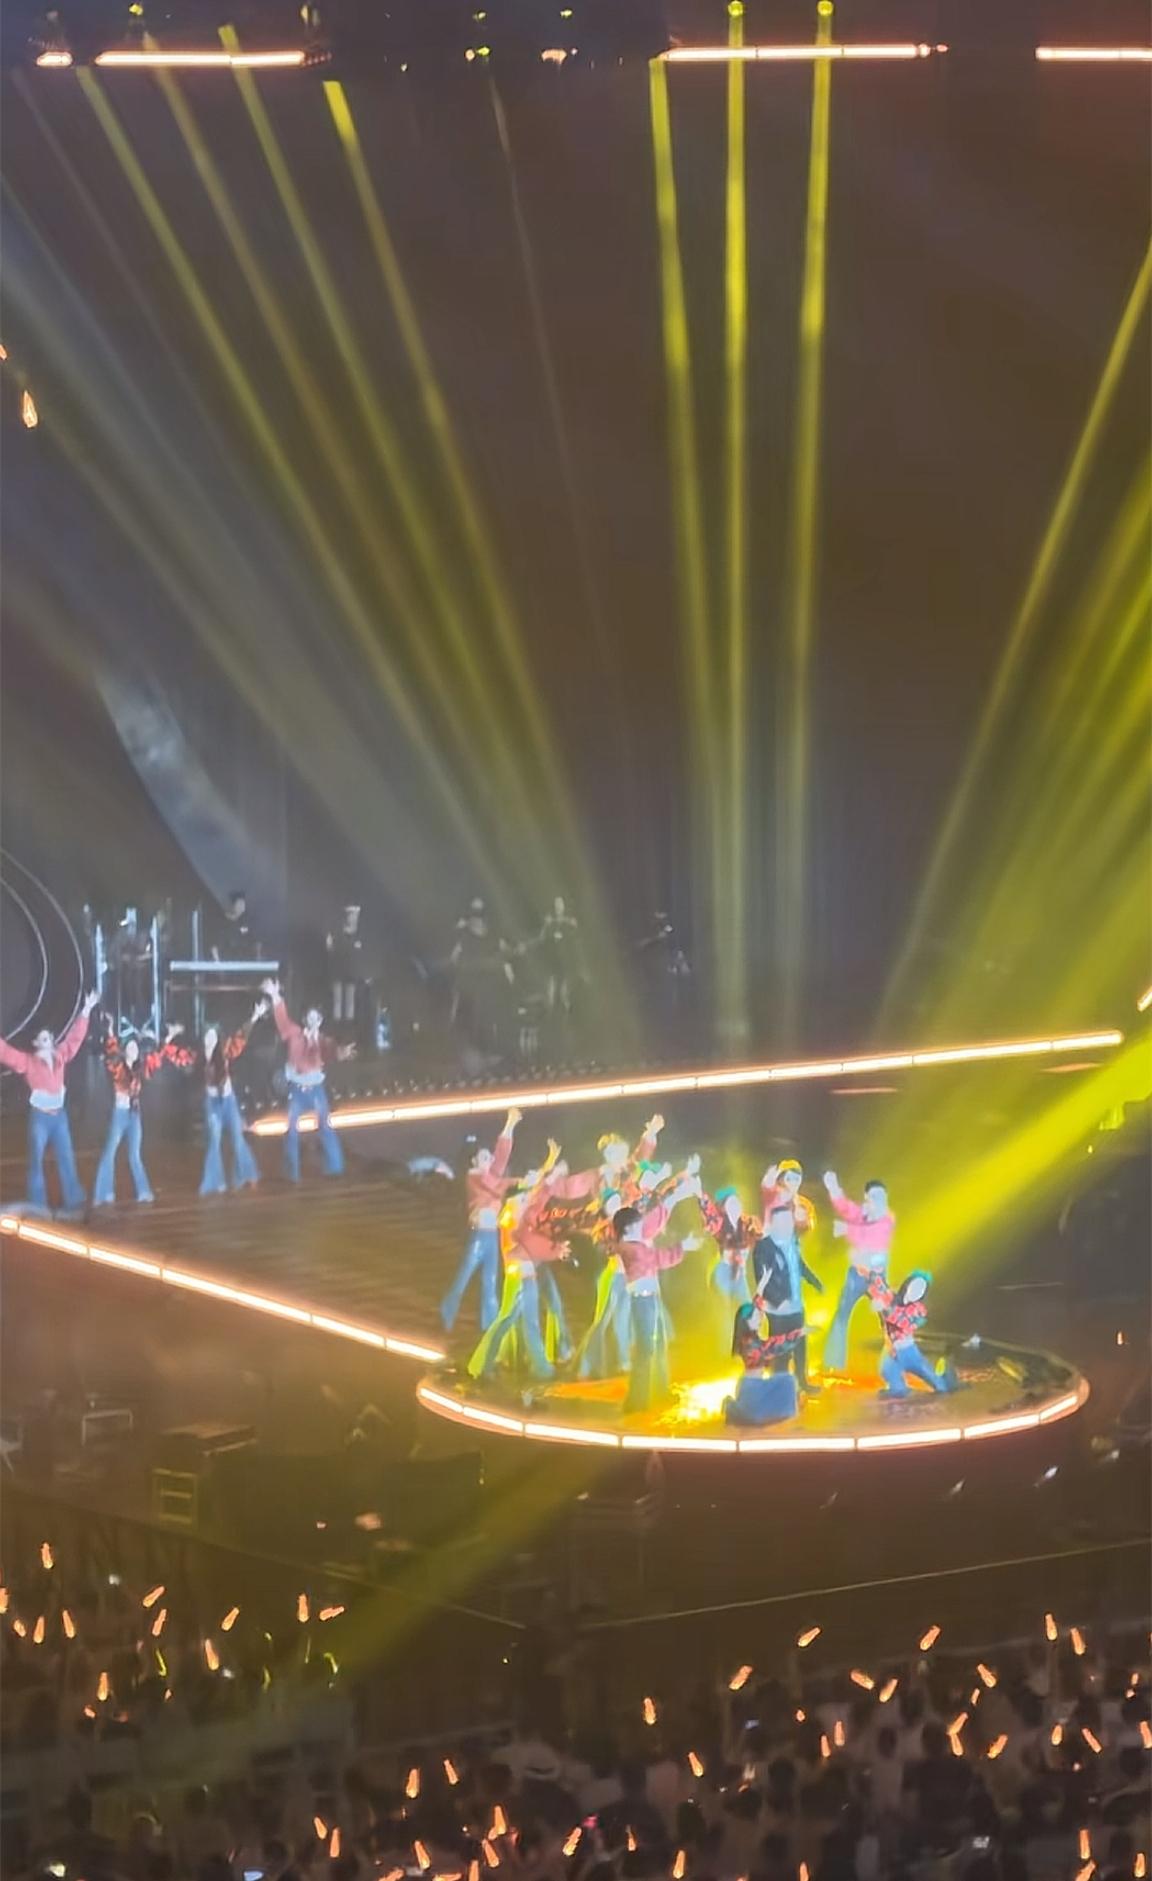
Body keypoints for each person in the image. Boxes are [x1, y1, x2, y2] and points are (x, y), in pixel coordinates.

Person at [468, 1143, 568, 1385]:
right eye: (530, 1179)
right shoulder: (512, 1211)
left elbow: (539, 1190)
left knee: (526, 1322)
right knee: (507, 1321)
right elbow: (523, 1240)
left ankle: (540, 1369)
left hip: (527, 1275)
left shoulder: (523, 1206)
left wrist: (552, 1167)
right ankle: (482, 1365)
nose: (534, 1183)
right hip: (519, 1275)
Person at [0, 989, 100, 1217]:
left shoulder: (60, 1056)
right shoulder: (28, 1062)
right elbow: (6, 1053)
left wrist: (86, 1010)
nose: (49, 1042)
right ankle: (37, 1203)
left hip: (59, 1117)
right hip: (40, 1118)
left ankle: (73, 1198)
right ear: (36, 1043)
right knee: (36, 1161)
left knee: (66, 1156)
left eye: (50, 1038)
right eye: (44, 1039)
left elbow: (74, 1039)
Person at [611, 1189, 702, 1414]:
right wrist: (683, 1247)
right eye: (638, 1224)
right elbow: (656, 1258)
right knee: (645, 1350)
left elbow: (653, 1229)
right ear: (628, 1227)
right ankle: (636, 1401)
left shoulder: (635, 1242)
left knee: (658, 1346)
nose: (642, 1227)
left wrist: (673, 1200)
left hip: (650, 1298)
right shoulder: (630, 1248)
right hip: (643, 1301)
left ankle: (659, 1392)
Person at [441, 1108, 523, 1333]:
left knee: (491, 1280)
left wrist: (510, 1125)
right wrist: (518, 1182)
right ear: (475, 1161)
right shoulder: (474, 1177)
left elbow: (502, 1156)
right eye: (485, 1157)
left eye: (489, 1157)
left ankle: (489, 1325)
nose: (490, 1160)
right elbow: (496, 1184)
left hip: (491, 1235)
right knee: (464, 1277)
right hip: (478, 1235)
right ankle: (446, 1314)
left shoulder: (490, 1176)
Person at [91, 1017, 187, 1208]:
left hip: (135, 1115)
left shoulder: (140, 1069)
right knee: (110, 1152)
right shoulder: (118, 1066)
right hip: (120, 1114)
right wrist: (110, 1031)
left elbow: (157, 1056)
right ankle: (103, 1193)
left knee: (135, 1154)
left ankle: (143, 1191)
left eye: (136, 1048)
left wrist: (169, 1037)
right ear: (125, 1050)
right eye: (130, 1047)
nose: (134, 1050)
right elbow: (112, 1051)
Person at [263, 979, 353, 1181]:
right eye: (310, 1017)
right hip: (297, 1089)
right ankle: (291, 1173)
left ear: (320, 1020)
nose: (313, 1021)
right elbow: (283, 1022)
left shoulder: (323, 1040)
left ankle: (335, 1168)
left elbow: (330, 1052)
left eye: (316, 1018)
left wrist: (341, 1052)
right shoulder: (295, 1034)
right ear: (305, 1019)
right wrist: (275, 996)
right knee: (292, 1130)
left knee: (325, 1126)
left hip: (316, 1090)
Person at [821, 1172, 896, 1374]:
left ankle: (894, 1361)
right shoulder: (862, 1213)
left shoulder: (888, 1219)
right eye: (874, 1196)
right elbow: (846, 1208)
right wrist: (833, 1188)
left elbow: (873, 1237)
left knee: (889, 1317)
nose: (878, 1201)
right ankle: (833, 1361)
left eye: (881, 1197)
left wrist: (847, 1230)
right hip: (857, 1274)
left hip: (877, 1277)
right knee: (842, 1313)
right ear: (867, 1198)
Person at [192, 1001, 267, 1196]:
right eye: (207, 1036)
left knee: (237, 1137)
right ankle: (215, 1182)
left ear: (217, 1038)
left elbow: (240, 1039)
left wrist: (254, 1017)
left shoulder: (224, 1052)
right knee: (214, 1140)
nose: (210, 1039)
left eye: (213, 1036)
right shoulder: (198, 1057)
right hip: (212, 1103)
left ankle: (247, 1175)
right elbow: (178, 1058)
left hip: (228, 1101)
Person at [752, 1201, 824, 1395]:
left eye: (788, 1221)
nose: (786, 1225)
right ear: (773, 1223)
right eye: (781, 1221)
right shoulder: (764, 1247)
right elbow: (762, 1277)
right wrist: (778, 1301)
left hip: (796, 1305)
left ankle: (802, 1382)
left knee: (800, 1346)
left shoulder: (793, 1242)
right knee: (781, 1350)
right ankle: (780, 1388)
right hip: (778, 1310)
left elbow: (799, 1265)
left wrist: (814, 1281)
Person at [868, 1271, 957, 1399]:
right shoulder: (891, 1300)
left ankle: (945, 1375)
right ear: (907, 1285)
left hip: (910, 1351)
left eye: (921, 1290)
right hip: (892, 1354)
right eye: (915, 1287)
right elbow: (884, 1314)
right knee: (897, 1390)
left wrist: (887, 1311)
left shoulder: (918, 1309)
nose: (916, 1292)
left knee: (941, 1387)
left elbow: (903, 1323)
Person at [723, 1298, 802, 1426]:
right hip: (752, 1388)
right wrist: (794, 1336)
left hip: (755, 1385)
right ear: (747, 1321)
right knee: (787, 1381)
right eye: (756, 1317)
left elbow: (773, 1346)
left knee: (787, 1380)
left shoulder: (753, 1339)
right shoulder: (748, 1343)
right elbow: (771, 1348)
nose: (760, 1319)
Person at [698, 1185, 759, 1303]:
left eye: (736, 1202)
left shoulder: (748, 1223)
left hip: (741, 1272)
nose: (734, 1207)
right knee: (726, 1302)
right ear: (724, 1209)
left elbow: (760, 1235)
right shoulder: (720, 1225)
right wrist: (702, 1197)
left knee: (746, 1303)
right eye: (730, 1204)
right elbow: (710, 1215)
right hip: (724, 1271)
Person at [326, 903, 367, 1041]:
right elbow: (332, 952)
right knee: (337, 1002)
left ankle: (349, 1034)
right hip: (338, 973)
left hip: (352, 974)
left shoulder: (359, 935)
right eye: (351, 915)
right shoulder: (337, 933)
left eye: (355, 916)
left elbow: (361, 955)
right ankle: (337, 1033)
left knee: (350, 1003)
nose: (353, 918)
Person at [761, 1158, 817, 1237]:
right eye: (788, 1179)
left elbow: (809, 1225)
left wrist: (802, 1220)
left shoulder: (804, 1204)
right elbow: (766, 1186)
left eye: (797, 1179)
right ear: (781, 1180)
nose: (793, 1183)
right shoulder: (773, 1195)